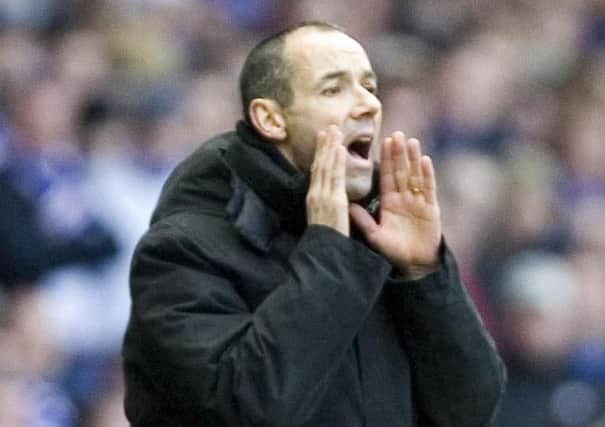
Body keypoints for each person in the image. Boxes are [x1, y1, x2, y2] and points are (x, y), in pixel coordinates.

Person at [122, 21, 506, 426]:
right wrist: (327, 253)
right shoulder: (182, 249)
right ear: (270, 119)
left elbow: (470, 410)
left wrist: (424, 276)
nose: (369, 106)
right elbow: (248, 409)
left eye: (370, 88)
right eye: (333, 89)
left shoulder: (376, 238)